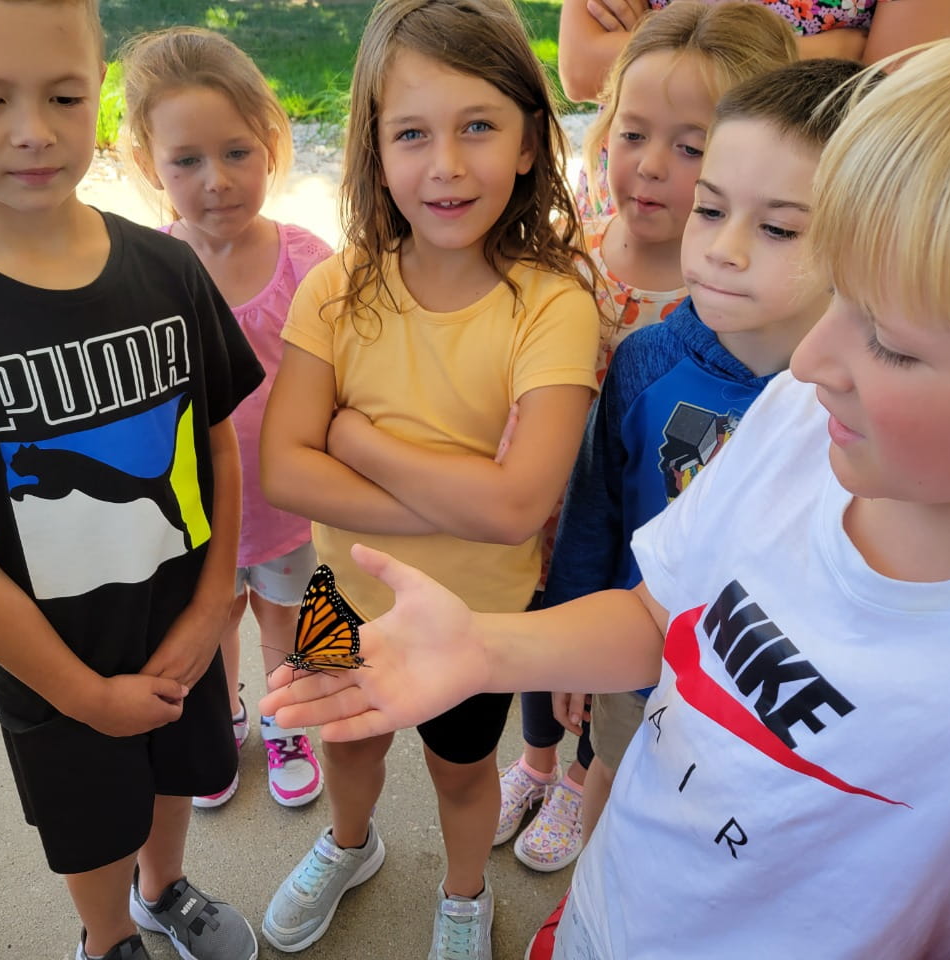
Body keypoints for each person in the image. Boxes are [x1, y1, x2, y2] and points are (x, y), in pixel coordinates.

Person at [261, 1, 950, 957]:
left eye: (891, 343)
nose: (809, 357)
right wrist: (491, 651)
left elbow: (512, 506)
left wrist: (360, 449)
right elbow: (662, 617)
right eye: (841, 293)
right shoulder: (793, 422)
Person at [0, 3, 264, 959]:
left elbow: (218, 444)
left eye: (65, 95)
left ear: (97, 79)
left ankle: (165, 889)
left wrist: (208, 610)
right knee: (88, 821)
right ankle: (107, 936)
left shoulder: (167, 270)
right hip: (54, 667)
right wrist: (81, 694)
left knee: (171, 779)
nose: (33, 129)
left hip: (181, 628)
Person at [256, 0, 602, 954]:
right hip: (342, 596)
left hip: (477, 623)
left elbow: (515, 509)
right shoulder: (339, 286)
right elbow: (286, 469)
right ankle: (349, 842)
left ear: (531, 142)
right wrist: (450, 493)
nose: (445, 164)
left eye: (478, 126)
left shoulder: (554, 306)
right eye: (412, 133)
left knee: (461, 772)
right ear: (374, 148)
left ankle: (461, 895)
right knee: (348, 739)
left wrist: (359, 442)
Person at [521, 57, 864, 956]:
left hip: (761, 701)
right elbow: (596, 509)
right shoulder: (643, 361)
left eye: (780, 227)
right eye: (711, 209)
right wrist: (569, 640)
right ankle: (585, 911)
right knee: (611, 770)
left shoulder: (860, 412)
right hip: (636, 649)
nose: (724, 247)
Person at [498, 0, 797, 875]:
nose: (652, 167)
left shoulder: (739, 319)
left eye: (693, 146)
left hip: (659, 556)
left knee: (618, 701)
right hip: (554, 518)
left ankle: (579, 775)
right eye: (634, 132)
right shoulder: (566, 260)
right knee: (543, 643)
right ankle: (538, 765)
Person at [120, 26, 331, 811]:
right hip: (190, 513)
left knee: (288, 619)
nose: (216, 180)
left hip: (285, 508)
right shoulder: (143, 271)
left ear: (272, 143)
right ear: (149, 166)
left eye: (237, 152)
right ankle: (224, 714)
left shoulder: (309, 265)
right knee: (210, 624)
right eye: (187, 161)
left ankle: (284, 720)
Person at [561, 0, 950, 219]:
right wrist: (830, 53)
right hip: (625, 201)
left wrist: (664, 46)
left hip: (782, 212)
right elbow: (582, 68)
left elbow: (885, 95)